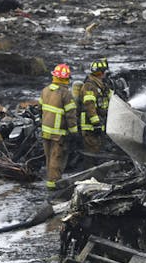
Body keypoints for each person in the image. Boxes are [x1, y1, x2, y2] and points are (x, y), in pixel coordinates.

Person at [40, 63, 79, 192]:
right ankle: (54, 185)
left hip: (45, 131)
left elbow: (42, 108)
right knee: (56, 158)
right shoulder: (65, 93)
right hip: (58, 133)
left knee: (49, 157)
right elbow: (71, 116)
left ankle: (50, 180)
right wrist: (74, 132)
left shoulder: (45, 90)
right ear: (65, 78)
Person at [73, 58, 112, 152]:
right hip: (90, 126)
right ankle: (89, 166)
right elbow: (89, 105)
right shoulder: (90, 86)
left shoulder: (102, 85)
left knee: (99, 150)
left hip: (99, 124)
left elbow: (112, 98)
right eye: (101, 73)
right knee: (92, 152)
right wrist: (96, 122)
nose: (103, 75)